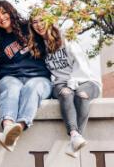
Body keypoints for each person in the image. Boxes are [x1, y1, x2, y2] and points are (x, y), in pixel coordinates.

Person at [29, 9, 101, 157]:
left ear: (49, 20)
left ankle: (74, 140)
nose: (38, 25)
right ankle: (75, 135)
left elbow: (81, 66)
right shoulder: (38, 45)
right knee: (66, 94)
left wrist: (72, 85)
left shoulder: (66, 37)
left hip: (85, 80)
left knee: (81, 95)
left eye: (41, 20)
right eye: (34, 22)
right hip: (60, 84)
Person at [0, 0, 51, 152]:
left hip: (38, 77)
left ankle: (19, 128)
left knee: (31, 87)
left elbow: (47, 29)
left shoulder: (28, 28)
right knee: (11, 87)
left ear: (11, 12)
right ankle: (8, 126)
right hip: (11, 77)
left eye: (4, 12)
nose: (2, 17)